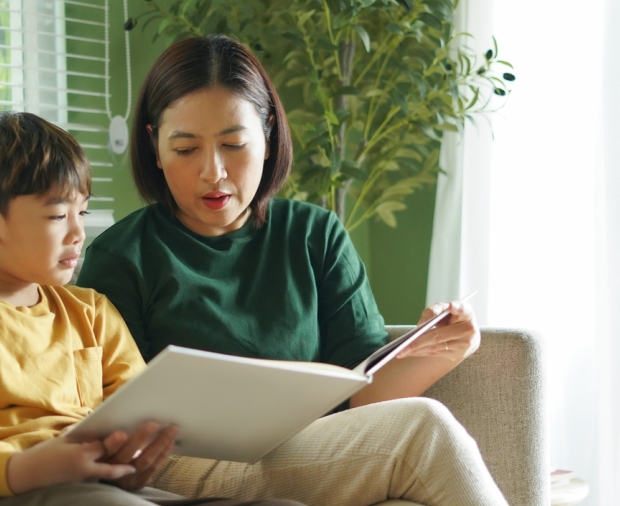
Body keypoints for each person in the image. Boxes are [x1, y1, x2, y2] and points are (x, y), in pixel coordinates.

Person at [76, 35, 510, 506]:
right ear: (154, 148)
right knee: (424, 430)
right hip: (177, 466)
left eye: (234, 144)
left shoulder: (314, 234)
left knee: (421, 430)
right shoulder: (121, 257)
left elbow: (363, 393)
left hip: (308, 448)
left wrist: (444, 349)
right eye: (185, 150)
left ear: (267, 138)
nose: (214, 172)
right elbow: (110, 416)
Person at [0, 111, 304, 506]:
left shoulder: (91, 311)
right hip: (11, 492)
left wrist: (136, 456)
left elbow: (141, 410)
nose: (79, 234)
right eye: (58, 215)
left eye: (82, 213)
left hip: (103, 490)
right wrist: (25, 468)